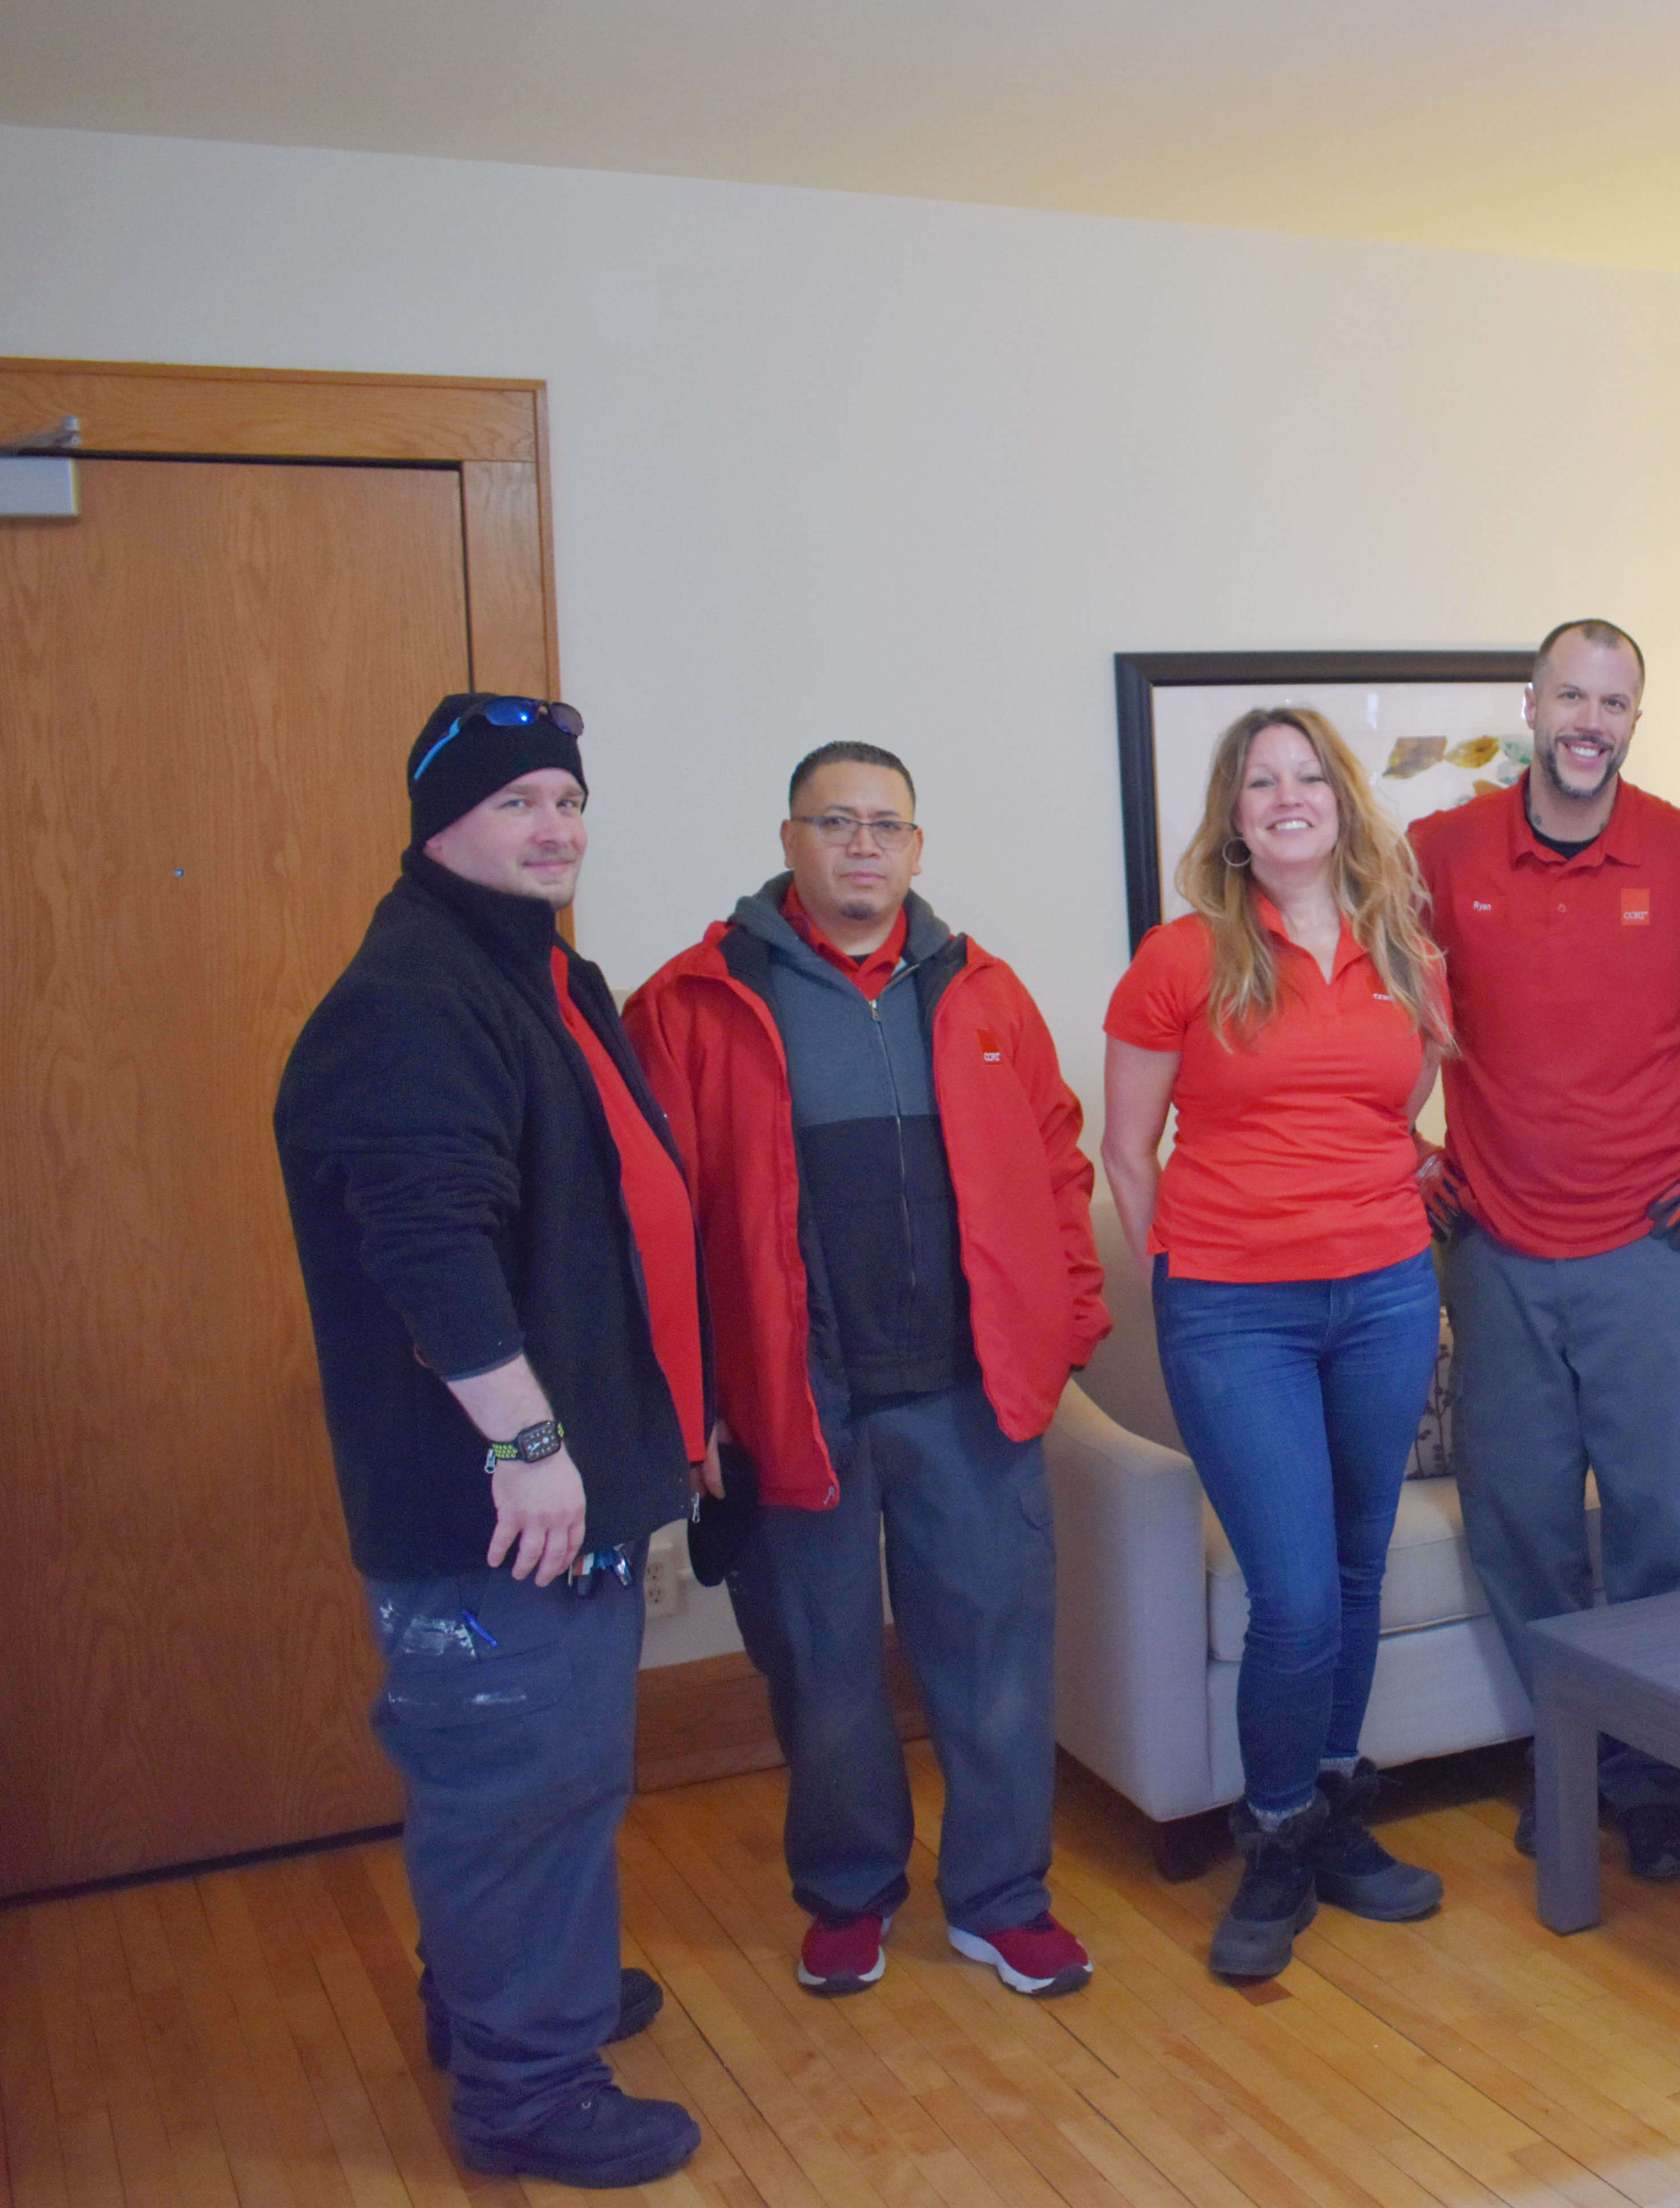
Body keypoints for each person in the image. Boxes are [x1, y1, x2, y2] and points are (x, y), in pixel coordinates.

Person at [274, 694, 704, 2190]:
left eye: (568, 803)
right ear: (437, 821)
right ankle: (527, 2086)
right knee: (520, 1779)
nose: (556, 829)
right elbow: (428, 1240)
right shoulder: (416, 995)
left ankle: (504, 1999)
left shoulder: (524, 970)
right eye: (519, 801)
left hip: (556, 1481)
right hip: (495, 1503)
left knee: (525, 1774)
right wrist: (530, 1450)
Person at [625, 742, 1107, 2000]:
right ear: (789, 838)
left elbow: (1058, 1164)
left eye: (885, 825)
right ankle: (849, 1894)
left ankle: (1003, 1899)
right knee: (823, 1670)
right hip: (797, 1401)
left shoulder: (984, 990)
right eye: (834, 822)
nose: (861, 846)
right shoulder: (691, 1000)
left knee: (997, 1656)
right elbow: (650, 1223)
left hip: (970, 1390)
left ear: (917, 846)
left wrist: (1065, 1328)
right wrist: (692, 1403)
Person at [1410, 618, 1680, 1882]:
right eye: (1571, 696)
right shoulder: (1442, 851)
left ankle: (1650, 1775)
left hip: (1652, 1248)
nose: (1590, 720)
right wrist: (1404, 1143)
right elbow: (1353, 992)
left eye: (1616, 701)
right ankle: (1567, 1760)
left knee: (1655, 1524)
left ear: (1636, 717)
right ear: (1530, 705)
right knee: (1522, 1524)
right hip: (1494, 1249)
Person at [1100, 709, 1453, 1982]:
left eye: (1310, 776)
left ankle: (1329, 1806)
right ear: (1234, 812)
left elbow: (1391, 1110)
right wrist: (1189, 1276)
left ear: (1344, 803)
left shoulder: (1402, 950)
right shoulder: (1182, 956)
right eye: (1263, 780)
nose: (1289, 797)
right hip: (1235, 1308)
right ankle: (1274, 1831)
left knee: (1358, 1571)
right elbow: (1125, 1154)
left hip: (1386, 1293)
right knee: (1295, 1593)